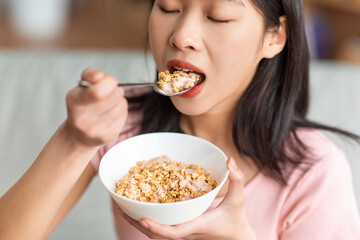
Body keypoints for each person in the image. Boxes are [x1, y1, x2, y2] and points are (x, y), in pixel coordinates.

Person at [0, 0, 359, 239]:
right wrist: (74, 140)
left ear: (274, 36)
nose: (181, 36)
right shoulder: (123, 123)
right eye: (168, 6)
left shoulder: (315, 174)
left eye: (218, 16)